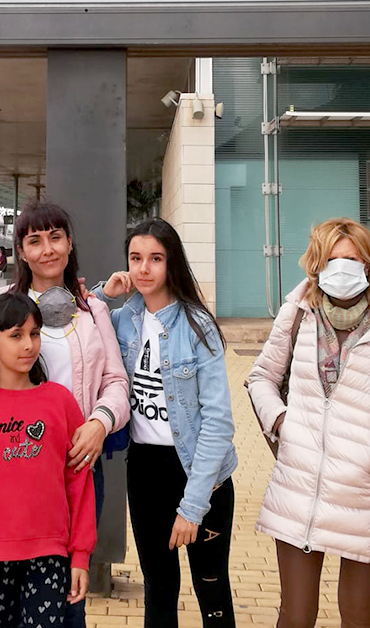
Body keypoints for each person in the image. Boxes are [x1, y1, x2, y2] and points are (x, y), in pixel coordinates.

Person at [246, 217, 370, 628]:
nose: (342, 267)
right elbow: (261, 378)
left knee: (358, 617)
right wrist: (281, 422)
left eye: (352, 259)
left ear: (369, 265)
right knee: (295, 616)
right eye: (332, 259)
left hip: (364, 493)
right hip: (300, 486)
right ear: (316, 264)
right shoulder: (296, 315)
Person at [0, 200, 128, 628]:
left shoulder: (92, 310)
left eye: (55, 237)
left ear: (69, 243)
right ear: (21, 251)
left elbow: (117, 383)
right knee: (8, 595)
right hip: (13, 466)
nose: (47, 249)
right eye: (34, 240)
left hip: (77, 465)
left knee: (68, 595)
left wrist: (100, 422)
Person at [97, 218, 238, 628]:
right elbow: (71, 318)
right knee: (159, 589)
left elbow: (218, 421)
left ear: (171, 263)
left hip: (200, 473)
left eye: (155, 258)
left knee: (212, 589)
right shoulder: (124, 319)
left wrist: (193, 507)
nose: (143, 269)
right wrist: (104, 294)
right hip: (145, 472)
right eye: (135, 258)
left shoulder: (198, 326)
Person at [0, 293, 97, 628]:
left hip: (49, 556)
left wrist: (81, 555)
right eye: (16, 335)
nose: (28, 345)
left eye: (34, 333)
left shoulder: (60, 402)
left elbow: (79, 483)